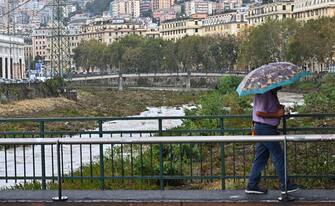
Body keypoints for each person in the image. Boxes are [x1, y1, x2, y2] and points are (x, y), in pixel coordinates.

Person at [245, 87, 299, 194]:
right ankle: (285, 185)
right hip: (265, 129)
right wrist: (277, 114)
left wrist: (278, 108)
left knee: (261, 157)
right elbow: (259, 113)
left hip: (264, 128)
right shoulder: (265, 93)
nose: (282, 86)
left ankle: (252, 185)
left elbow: (264, 109)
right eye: (279, 84)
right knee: (278, 155)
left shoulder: (270, 93)